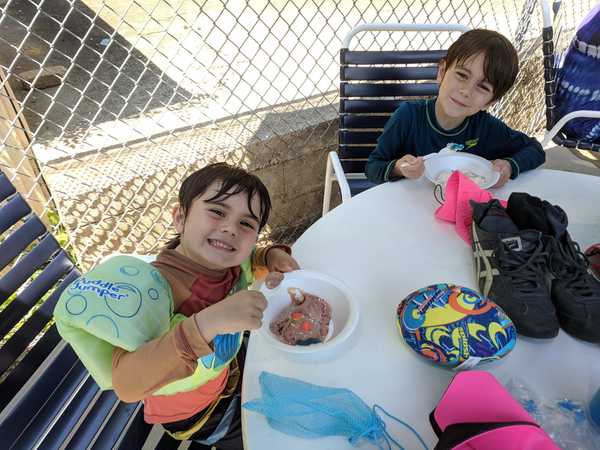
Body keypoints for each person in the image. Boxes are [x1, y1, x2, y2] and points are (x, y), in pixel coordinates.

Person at [111, 162, 300, 449]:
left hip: (227, 371)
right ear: (180, 217)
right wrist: (207, 323)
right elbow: (126, 384)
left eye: (246, 223)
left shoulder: (226, 262)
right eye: (217, 211)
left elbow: (251, 260)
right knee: (275, 436)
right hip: (197, 411)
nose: (230, 229)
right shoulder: (152, 290)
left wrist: (270, 256)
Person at [365, 29, 545, 188]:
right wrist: (398, 168)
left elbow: (535, 150)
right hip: (408, 206)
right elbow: (372, 167)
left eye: (483, 87)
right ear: (441, 72)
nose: (466, 91)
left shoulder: (486, 128)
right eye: (462, 75)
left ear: (490, 102)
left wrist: (509, 165)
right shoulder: (408, 117)